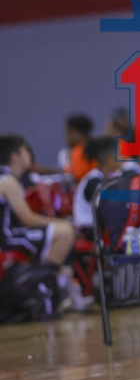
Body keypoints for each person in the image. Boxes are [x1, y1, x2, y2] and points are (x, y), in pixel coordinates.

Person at [0, 134, 87, 310]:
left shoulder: (9, 178)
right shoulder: (7, 180)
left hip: (11, 233)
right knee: (64, 232)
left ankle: (55, 285)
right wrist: (60, 223)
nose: (29, 155)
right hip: (6, 239)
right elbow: (28, 219)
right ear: (15, 155)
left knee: (63, 233)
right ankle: (46, 286)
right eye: (26, 151)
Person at [58, 113, 95, 182]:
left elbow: (76, 176)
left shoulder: (79, 151)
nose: (66, 137)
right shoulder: (97, 147)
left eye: (67, 133)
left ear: (76, 133)